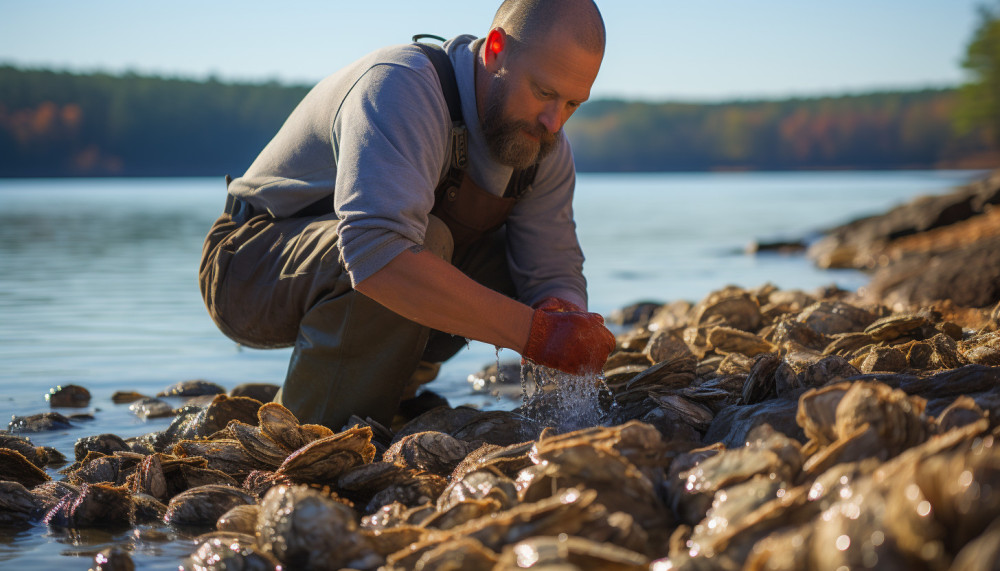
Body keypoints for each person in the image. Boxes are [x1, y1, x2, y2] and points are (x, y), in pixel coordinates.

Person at [199, 0, 616, 431]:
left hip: (352, 264)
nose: (553, 121)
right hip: (246, 265)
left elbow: (552, 268)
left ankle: (392, 389)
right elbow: (374, 251)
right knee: (420, 244)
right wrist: (535, 336)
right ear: (495, 50)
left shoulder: (544, 142)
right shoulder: (401, 86)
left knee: (511, 266)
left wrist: (567, 320)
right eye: (544, 93)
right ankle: (310, 432)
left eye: (573, 104)